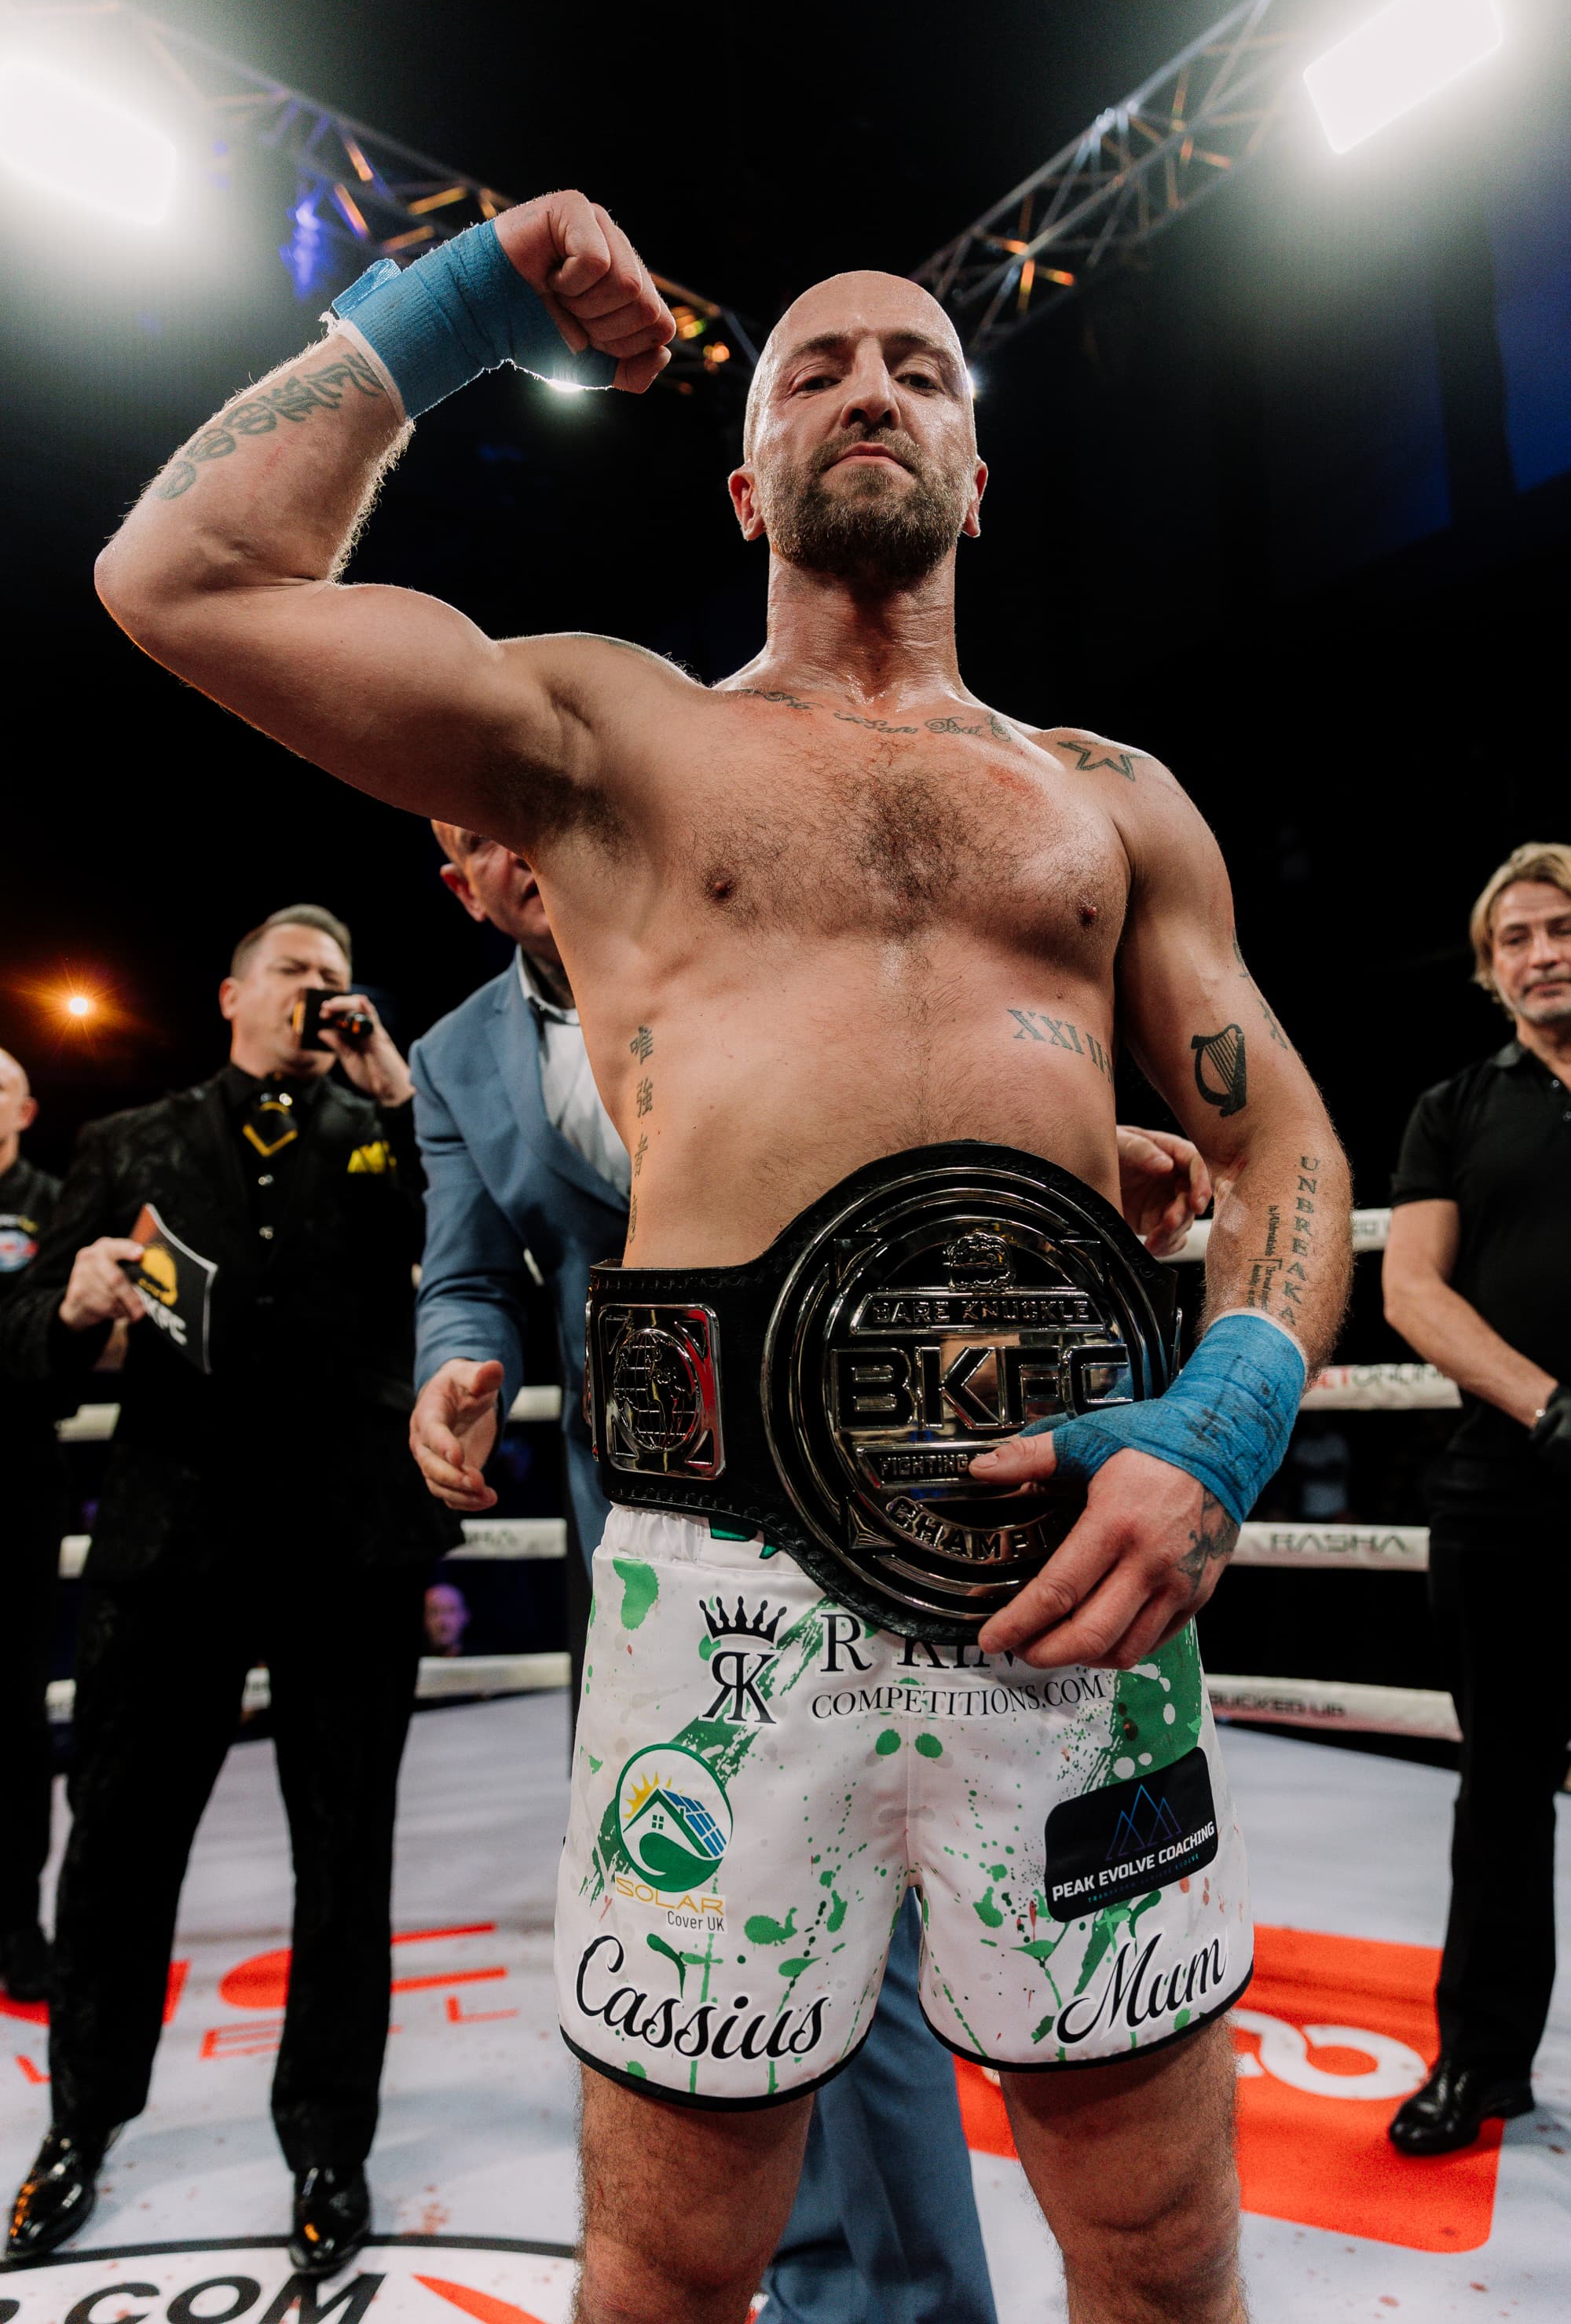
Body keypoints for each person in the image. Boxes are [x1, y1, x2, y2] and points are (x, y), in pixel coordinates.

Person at [93, 192, 1351, 2324]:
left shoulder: (1107, 798)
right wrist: (461, 302)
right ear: (744, 472)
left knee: (1156, 2245)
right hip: (724, 1593)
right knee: (672, 2267)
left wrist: (1227, 1416)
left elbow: (1284, 1138)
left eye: (922, 369)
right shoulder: (611, 738)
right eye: (816, 371)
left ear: (979, 463)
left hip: (1065, 1566)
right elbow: (178, 575)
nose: (874, 385)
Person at [408, 825, 1214, 2324]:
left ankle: (904, 2302)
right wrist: (457, 1362)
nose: (510, 852)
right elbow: (469, 1269)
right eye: (471, 844)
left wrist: (1072, 1145)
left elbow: (916, 1099)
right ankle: (821, 2275)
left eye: (518, 816)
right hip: (655, 1542)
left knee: (932, 1953)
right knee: (723, 1957)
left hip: (917, 1497)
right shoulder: (453, 1055)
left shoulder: (767, 910)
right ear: (463, 886)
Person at [0, 907, 448, 2272]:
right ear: (231, 994)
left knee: (344, 1857)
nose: (321, 993)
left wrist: (403, 1096)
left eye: (338, 976)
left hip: (348, 1551)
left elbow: (473, 1244)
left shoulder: (390, 1140)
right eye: (297, 975)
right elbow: (24, 1355)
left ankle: (328, 2138)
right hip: (170, 1548)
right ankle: (81, 2123)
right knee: (122, 1852)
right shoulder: (125, 1145)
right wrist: (68, 1307)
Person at [1382, 841, 1571, 2156]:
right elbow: (1411, 1292)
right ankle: (1482, 2064)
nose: (1545, 951)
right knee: (1500, 1788)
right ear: (1489, 968)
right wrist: (1554, 1406)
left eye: (1563, 927)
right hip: (1506, 1491)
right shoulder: (1453, 1106)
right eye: (1518, 937)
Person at [0, 1047, 64, 2006]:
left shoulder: (55, 1198)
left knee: (14, 1712)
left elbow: (60, 1327)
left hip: (16, 1476)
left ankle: (19, 1922)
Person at [423, 1580, 471, 1657]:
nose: (442, 1621)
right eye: (434, 1612)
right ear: (425, 1618)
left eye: (450, 1611)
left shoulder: (484, 1660)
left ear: (465, 1616)